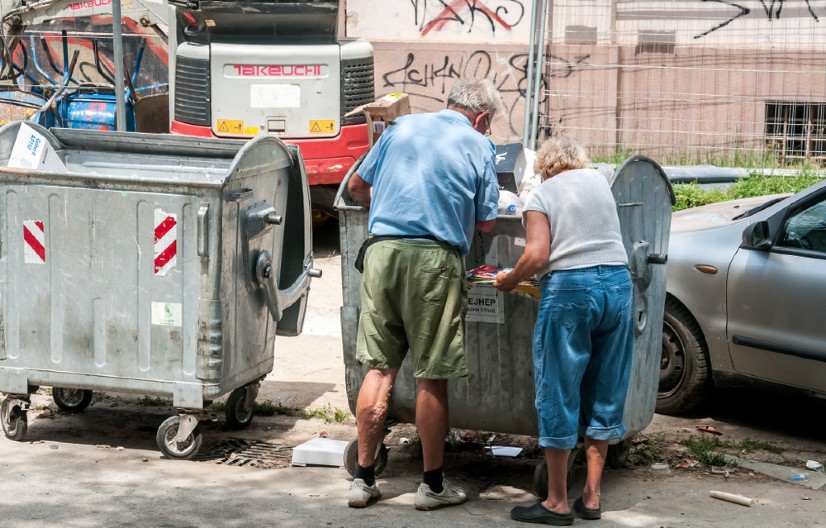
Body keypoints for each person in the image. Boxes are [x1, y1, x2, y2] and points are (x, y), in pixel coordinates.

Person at [345, 79, 503, 510]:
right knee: (430, 375)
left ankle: (363, 480)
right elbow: (488, 223)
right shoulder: (477, 144)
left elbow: (357, 187)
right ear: (483, 118)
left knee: (378, 370)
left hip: (381, 254)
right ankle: (432, 487)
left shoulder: (401, 128)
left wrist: (392, 207)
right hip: (434, 259)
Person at [493, 136, 633, 526]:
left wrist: (510, 279)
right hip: (618, 286)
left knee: (558, 388)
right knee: (605, 388)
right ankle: (591, 496)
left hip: (572, 290)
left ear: (546, 166)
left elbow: (537, 255)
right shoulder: (600, 182)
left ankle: (556, 502)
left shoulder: (541, 193)